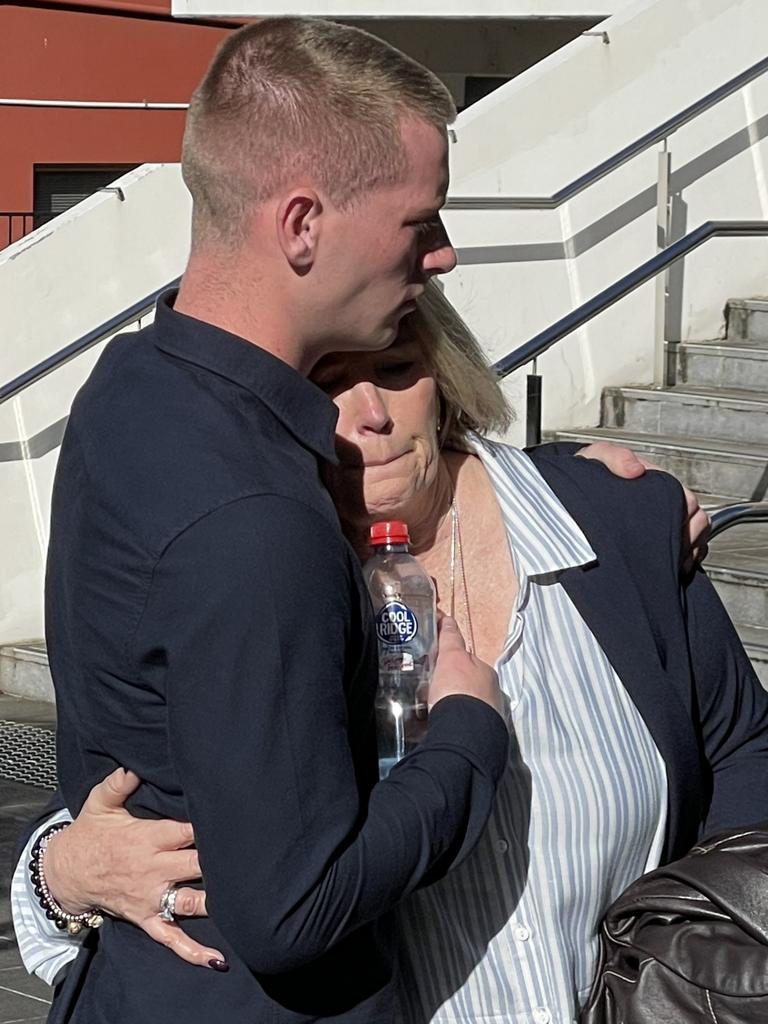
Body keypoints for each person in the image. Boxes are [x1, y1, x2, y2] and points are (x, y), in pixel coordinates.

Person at [14, 283, 754, 1024]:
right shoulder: (252, 581)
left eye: (398, 369)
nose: (370, 414)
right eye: (326, 385)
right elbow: (124, 792)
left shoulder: (610, 520)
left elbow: (745, 761)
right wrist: (62, 875)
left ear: (445, 376)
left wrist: (693, 973)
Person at [18, 18, 516, 1024]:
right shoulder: (254, 515)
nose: (443, 253)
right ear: (300, 225)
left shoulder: (131, 387)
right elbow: (294, 907)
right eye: (421, 222)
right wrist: (470, 732)